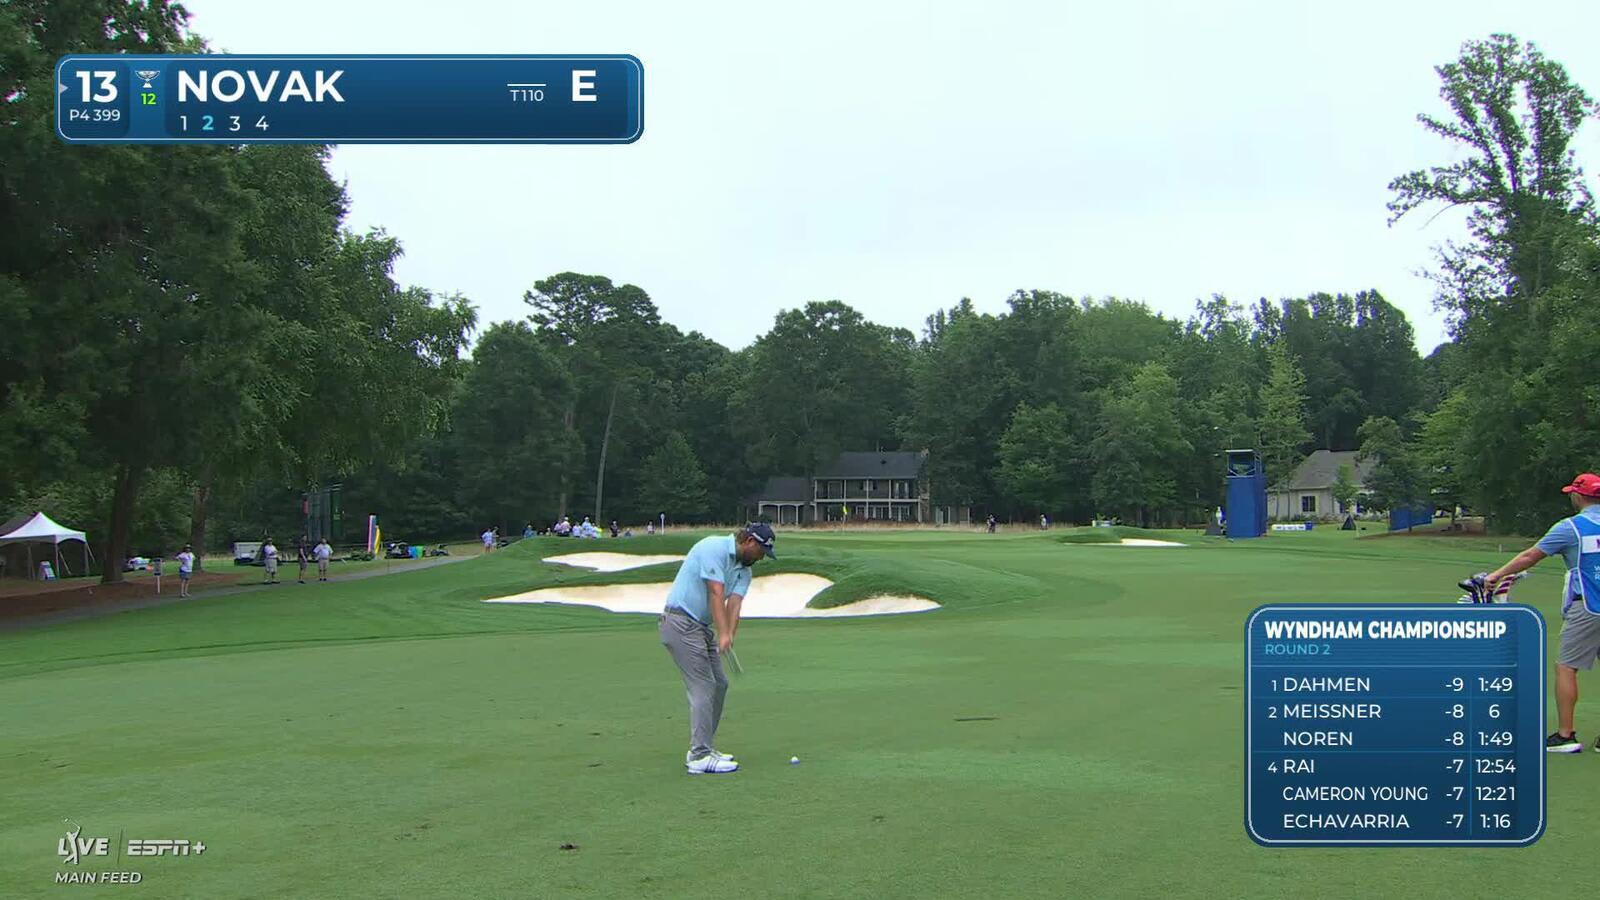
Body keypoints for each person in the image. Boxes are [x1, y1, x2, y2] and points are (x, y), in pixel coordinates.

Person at [1486, 473, 1600, 753]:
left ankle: (1565, 736)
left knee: (1566, 667)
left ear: (1577, 496)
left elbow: (1530, 556)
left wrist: (1495, 576)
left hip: (1588, 604)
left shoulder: (1571, 527)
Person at [660, 523, 777, 775]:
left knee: (720, 684)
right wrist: (722, 633)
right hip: (680, 621)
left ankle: (702, 747)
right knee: (703, 686)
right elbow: (716, 593)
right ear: (748, 541)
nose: (760, 558)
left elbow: (734, 604)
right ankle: (699, 757)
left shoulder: (744, 572)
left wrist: (730, 635)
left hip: (701, 628)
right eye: (760, 551)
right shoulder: (712, 548)